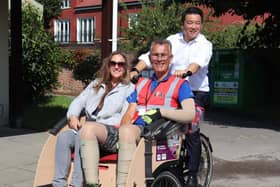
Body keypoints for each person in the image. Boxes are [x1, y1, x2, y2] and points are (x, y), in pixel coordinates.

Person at [130, 6, 213, 186]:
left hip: (196, 92)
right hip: (172, 88)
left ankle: (192, 174)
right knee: (158, 121)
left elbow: (197, 64)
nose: (193, 27)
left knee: (191, 126)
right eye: (190, 22)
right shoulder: (173, 40)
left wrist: (185, 73)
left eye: (197, 23)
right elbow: (150, 56)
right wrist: (136, 70)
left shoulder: (204, 44)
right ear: (183, 23)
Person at [117, 39, 196, 187]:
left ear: (170, 58)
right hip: (139, 130)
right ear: (150, 58)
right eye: (155, 55)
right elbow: (129, 112)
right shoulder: (141, 83)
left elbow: (190, 114)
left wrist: (162, 112)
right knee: (124, 131)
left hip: (162, 133)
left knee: (127, 132)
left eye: (163, 55)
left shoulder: (179, 84)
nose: (159, 59)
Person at [52, 51, 134, 187]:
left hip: (111, 133)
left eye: (121, 64)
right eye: (113, 63)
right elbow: (79, 101)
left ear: (125, 68)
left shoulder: (129, 88)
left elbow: (125, 117)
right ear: (108, 66)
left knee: (83, 134)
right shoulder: (96, 84)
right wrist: (73, 116)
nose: (117, 66)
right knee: (64, 138)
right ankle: (58, 183)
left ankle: (77, 183)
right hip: (88, 129)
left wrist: (96, 127)